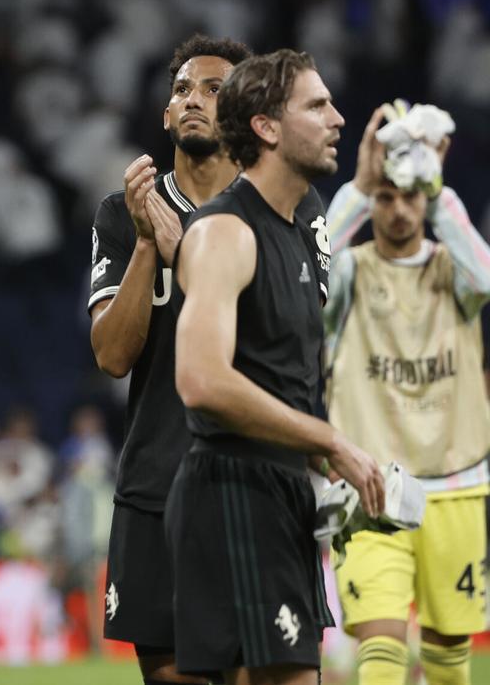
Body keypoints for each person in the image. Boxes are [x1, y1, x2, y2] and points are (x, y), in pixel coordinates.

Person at [88, 35, 330, 684]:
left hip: (258, 483)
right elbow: (112, 356)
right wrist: (146, 243)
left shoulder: (295, 211)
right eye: (181, 90)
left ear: (241, 113)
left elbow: (301, 348)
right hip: (155, 485)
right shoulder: (122, 214)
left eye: (212, 89)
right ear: (166, 115)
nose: (192, 99)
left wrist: (186, 250)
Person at [167, 49, 384, 684]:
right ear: (266, 127)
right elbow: (201, 379)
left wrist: (324, 465)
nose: (337, 118)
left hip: (280, 489)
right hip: (233, 490)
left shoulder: (296, 227)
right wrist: (330, 440)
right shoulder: (224, 233)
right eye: (317, 106)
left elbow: (273, 372)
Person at [324, 106, 490, 685]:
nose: (398, 209)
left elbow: (488, 278)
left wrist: (437, 186)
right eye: (386, 197)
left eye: (409, 197)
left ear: (427, 201)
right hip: (372, 486)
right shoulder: (346, 275)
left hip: (458, 482)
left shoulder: (457, 274)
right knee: (382, 643)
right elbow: (308, 261)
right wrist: (359, 182)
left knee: (448, 654)